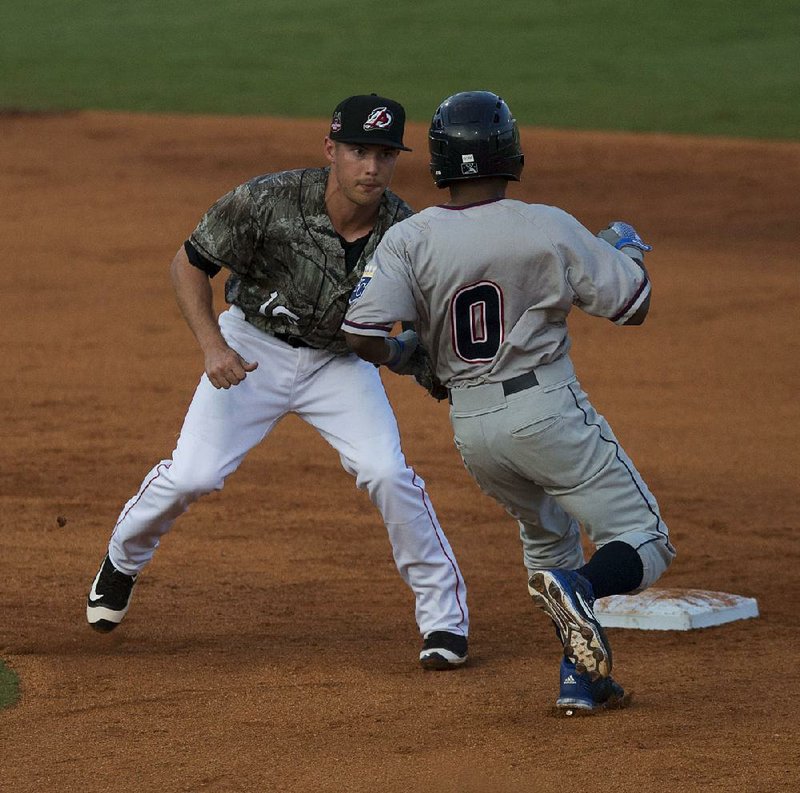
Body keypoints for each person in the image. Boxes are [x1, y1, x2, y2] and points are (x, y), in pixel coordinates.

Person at [86, 93, 469, 671]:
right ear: (331, 150)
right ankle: (122, 559)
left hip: (340, 363)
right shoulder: (268, 200)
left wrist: (445, 380)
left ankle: (444, 620)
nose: (371, 167)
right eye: (358, 151)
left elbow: (421, 327)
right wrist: (213, 344)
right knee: (193, 474)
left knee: (386, 471)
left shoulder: (407, 231)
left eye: (384, 155)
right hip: (252, 346)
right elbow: (189, 263)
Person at [343, 90, 676, 712]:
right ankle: (581, 588)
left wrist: (406, 353)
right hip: (545, 411)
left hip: (473, 429)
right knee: (642, 537)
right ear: (508, 152)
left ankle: (582, 676)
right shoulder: (546, 224)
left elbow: (362, 333)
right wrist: (623, 249)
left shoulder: (410, 238)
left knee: (548, 542)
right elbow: (633, 305)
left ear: (440, 161)